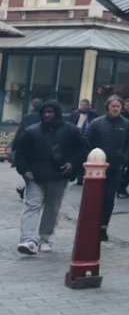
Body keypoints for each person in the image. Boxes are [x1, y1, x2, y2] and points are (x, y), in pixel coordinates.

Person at [13, 101, 86, 254]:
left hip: (59, 176)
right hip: (35, 177)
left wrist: (72, 164)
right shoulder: (31, 132)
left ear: (57, 113)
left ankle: (44, 238)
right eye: (45, 112)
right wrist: (24, 170)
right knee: (32, 205)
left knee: (51, 209)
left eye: (51, 112)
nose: (47, 115)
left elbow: (82, 150)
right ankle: (29, 240)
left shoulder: (71, 131)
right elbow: (20, 154)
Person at [85, 96, 129, 242]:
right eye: (113, 106)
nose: (115, 109)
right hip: (97, 168)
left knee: (108, 198)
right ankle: (91, 224)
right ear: (107, 107)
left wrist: (124, 158)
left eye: (118, 107)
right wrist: (92, 156)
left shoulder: (126, 125)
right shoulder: (97, 123)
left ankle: (103, 226)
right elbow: (86, 139)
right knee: (94, 197)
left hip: (115, 167)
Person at [8, 98, 43, 199]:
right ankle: (26, 189)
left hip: (27, 145)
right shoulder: (44, 117)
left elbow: (21, 132)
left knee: (27, 168)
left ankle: (26, 190)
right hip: (39, 146)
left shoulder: (27, 117)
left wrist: (14, 147)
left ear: (33, 106)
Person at [66, 99, 97, 185]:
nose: (83, 107)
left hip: (88, 139)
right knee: (76, 158)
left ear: (89, 106)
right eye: (82, 105)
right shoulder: (74, 114)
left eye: (85, 105)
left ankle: (81, 176)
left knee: (85, 159)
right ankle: (73, 174)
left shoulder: (93, 115)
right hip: (76, 138)